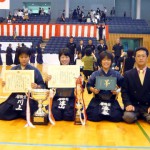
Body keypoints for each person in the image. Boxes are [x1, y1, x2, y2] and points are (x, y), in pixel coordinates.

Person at [0, 47, 45, 120]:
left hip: (29, 97)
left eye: (26, 57)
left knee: (31, 114)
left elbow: (43, 86)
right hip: (15, 96)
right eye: (21, 57)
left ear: (29, 57)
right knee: (2, 112)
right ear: (18, 58)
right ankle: (19, 113)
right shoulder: (13, 69)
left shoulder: (35, 70)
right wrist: (5, 84)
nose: (24, 59)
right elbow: (8, 84)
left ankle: (19, 113)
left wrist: (37, 86)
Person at [86, 51, 124, 122]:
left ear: (111, 62)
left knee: (117, 117)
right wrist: (93, 90)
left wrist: (117, 91)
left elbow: (124, 85)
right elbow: (88, 85)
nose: (106, 62)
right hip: (98, 99)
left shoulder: (116, 74)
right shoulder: (95, 74)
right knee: (93, 116)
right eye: (104, 60)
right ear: (101, 61)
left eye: (108, 60)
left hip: (111, 100)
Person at [45, 48, 81, 121]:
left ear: (70, 58)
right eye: (62, 57)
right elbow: (49, 88)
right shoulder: (54, 71)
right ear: (59, 58)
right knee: (55, 116)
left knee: (69, 116)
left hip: (70, 98)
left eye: (67, 57)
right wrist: (47, 81)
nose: (64, 59)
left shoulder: (75, 71)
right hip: (57, 97)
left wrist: (80, 82)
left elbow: (80, 88)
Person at [122, 47, 150, 124]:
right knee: (128, 117)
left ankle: (145, 115)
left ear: (147, 58)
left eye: (143, 56)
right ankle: (143, 116)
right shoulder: (128, 74)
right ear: (135, 58)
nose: (141, 58)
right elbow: (124, 92)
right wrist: (128, 104)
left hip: (147, 106)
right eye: (138, 56)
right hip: (134, 106)